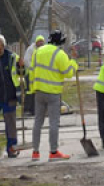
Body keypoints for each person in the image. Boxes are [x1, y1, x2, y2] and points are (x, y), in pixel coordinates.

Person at [30, 30, 78, 161]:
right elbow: (68, 73)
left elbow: (32, 71)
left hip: (38, 91)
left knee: (37, 122)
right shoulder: (60, 54)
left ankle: (35, 152)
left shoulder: (37, 51)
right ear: (61, 42)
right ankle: (53, 152)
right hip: (53, 93)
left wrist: (33, 88)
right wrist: (73, 61)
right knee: (53, 123)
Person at [23, 35, 46, 117]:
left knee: (36, 92)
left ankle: (34, 110)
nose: (41, 43)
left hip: (37, 75)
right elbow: (26, 60)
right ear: (36, 42)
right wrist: (33, 69)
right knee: (29, 92)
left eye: (42, 42)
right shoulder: (31, 49)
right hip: (30, 74)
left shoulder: (42, 50)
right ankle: (27, 110)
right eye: (40, 41)